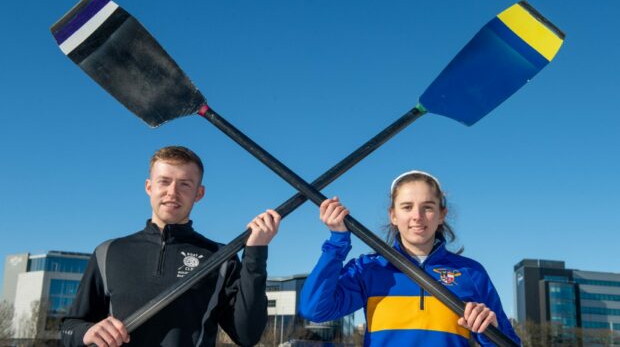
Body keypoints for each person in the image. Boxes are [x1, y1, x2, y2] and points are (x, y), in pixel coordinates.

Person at [61, 146, 281, 347]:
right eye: (164, 181)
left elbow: (247, 335)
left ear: (199, 194)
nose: (172, 192)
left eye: (185, 184)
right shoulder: (108, 252)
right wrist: (88, 332)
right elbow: (69, 328)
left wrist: (256, 253)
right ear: (149, 187)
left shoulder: (221, 257)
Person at [299, 170, 520, 346]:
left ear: (442, 215)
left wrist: (490, 329)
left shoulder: (471, 272)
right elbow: (315, 309)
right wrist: (337, 241)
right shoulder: (369, 268)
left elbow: (510, 343)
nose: (417, 216)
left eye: (428, 207)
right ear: (393, 215)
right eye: (407, 207)